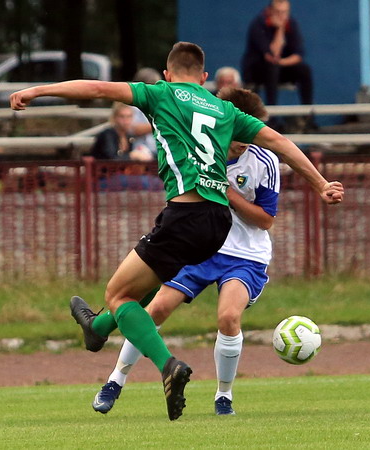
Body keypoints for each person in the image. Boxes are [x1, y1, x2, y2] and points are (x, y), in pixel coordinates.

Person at [10, 41, 343, 421]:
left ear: (167, 74)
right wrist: (321, 184)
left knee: (119, 295)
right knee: (149, 292)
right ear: (204, 77)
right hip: (217, 225)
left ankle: (166, 365)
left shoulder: (160, 93)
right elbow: (280, 142)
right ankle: (97, 328)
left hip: (186, 216)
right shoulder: (224, 109)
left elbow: (98, 88)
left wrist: (38, 90)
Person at [89, 87, 278, 417]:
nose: (244, 142)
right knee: (156, 308)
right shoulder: (199, 151)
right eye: (239, 135)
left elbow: (266, 220)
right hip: (200, 246)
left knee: (228, 317)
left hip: (245, 254)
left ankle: (224, 397)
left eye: (251, 134)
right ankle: (114, 382)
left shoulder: (265, 161)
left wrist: (226, 192)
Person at [242, 0, 313, 106]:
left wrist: (280, 62)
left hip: (279, 68)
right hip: (256, 71)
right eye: (278, 12)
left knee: (304, 69)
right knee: (272, 68)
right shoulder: (258, 24)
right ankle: (272, 110)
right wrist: (280, 29)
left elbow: (298, 55)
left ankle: (308, 111)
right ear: (269, 11)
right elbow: (272, 55)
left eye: (284, 12)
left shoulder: (292, 24)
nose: (281, 16)